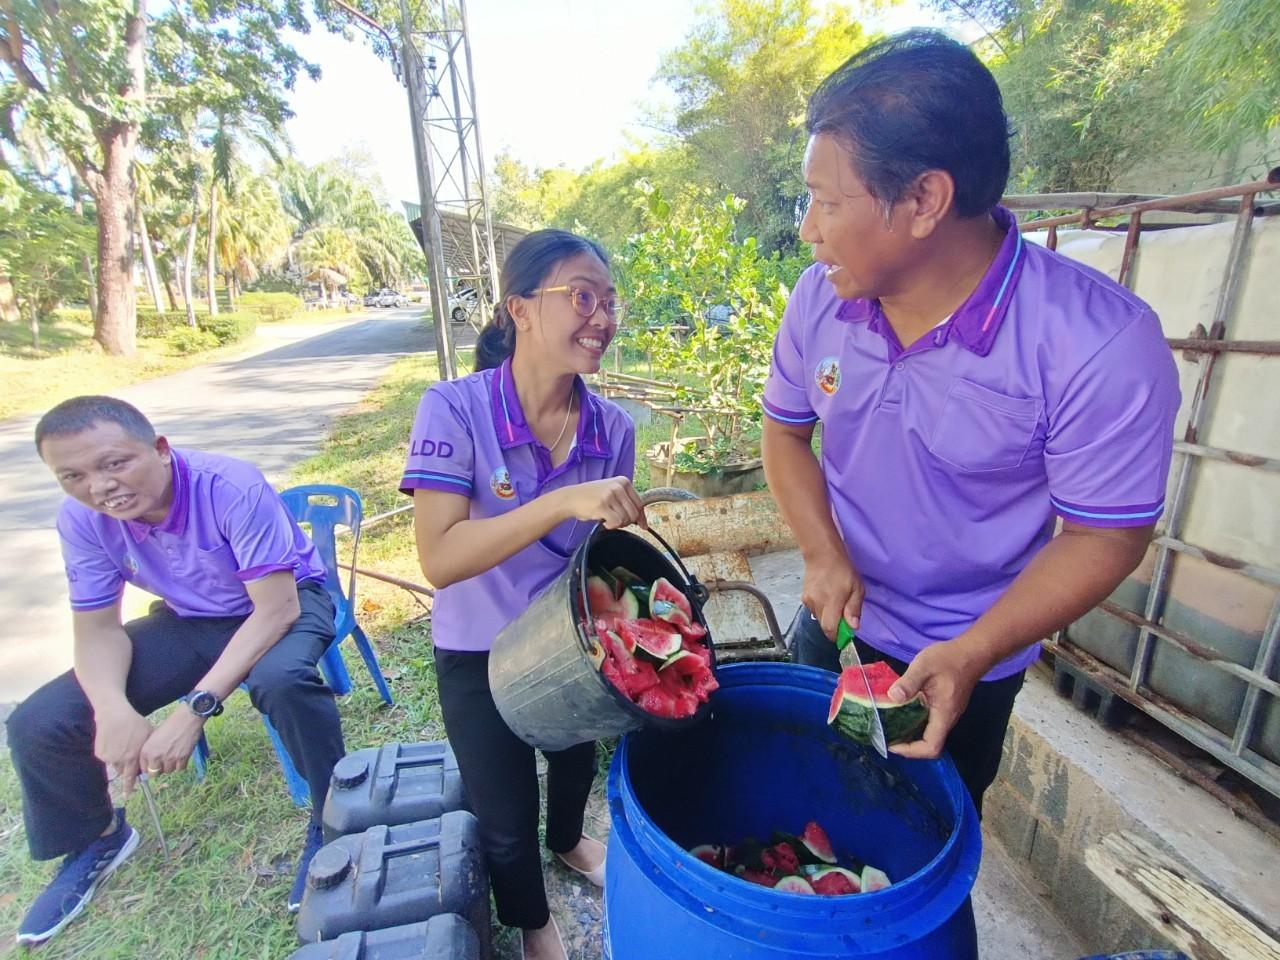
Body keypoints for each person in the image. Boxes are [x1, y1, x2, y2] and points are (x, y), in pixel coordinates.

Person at [763, 31, 1180, 814]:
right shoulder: (820, 298)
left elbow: (1106, 535)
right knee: (794, 803)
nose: (808, 230)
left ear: (923, 200)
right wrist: (821, 552)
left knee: (910, 841)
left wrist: (975, 650)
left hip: (969, 658)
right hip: (835, 621)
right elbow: (785, 433)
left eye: (826, 201)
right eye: (805, 199)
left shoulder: (1100, 345)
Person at [7, 396, 345, 945]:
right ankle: (98, 836)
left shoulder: (229, 486)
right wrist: (112, 709)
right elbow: (96, 630)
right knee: (40, 721)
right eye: (73, 475)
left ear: (160, 449)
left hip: (285, 603)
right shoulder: (84, 520)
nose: (100, 487)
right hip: (191, 620)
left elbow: (276, 609)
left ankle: (334, 816)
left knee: (280, 681)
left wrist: (195, 710)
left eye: (115, 463)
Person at [403, 229, 644, 960]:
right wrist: (560, 503)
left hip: (570, 643)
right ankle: (534, 920)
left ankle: (570, 840)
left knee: (575, 764)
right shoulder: (453, 410)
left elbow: (602, 559)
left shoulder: (615, 430)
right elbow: (439, 558)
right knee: (503, 810)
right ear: (521, 308)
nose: (601, 316)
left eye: (607, 300)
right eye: (581, 296)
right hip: (477, 647)